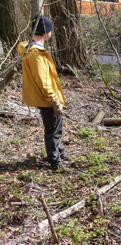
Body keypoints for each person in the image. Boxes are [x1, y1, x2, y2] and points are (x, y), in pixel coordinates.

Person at [17, 14, 67, 172]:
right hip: (47, 99)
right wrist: (54, 100)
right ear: (45, 32)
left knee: (57, 127)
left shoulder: (34, 49)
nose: (52, 32)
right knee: (52, 130)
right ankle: (55, 162)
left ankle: (60, 153)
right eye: (50, 30)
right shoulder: (35, 54)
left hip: (48, 98)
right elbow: (43, 81)